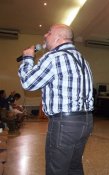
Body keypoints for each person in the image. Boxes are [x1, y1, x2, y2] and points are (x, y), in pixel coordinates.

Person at [18, 24, 94, 175]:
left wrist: (27, 58)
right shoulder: (82, 60)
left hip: (64, 124)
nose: (45, 35)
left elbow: (28, 83)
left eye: (49, 33)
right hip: (86, 121)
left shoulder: (54, 57)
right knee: (74, 167)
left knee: (56, 170)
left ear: (59, 37)